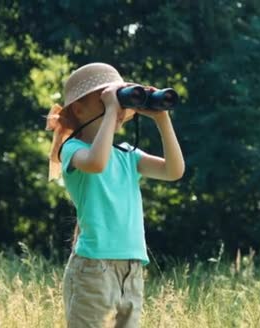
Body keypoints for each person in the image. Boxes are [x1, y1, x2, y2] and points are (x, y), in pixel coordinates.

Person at [45, 62, 184, 327]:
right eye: (106, 100)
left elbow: (173, 170)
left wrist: (161, 118)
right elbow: (97, 163)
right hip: (93, 268)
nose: (119, 109)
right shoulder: (71, 149)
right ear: (79, 108)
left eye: (121, 101)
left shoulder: (127, 155)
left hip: (132, 267)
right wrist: (111, 109)